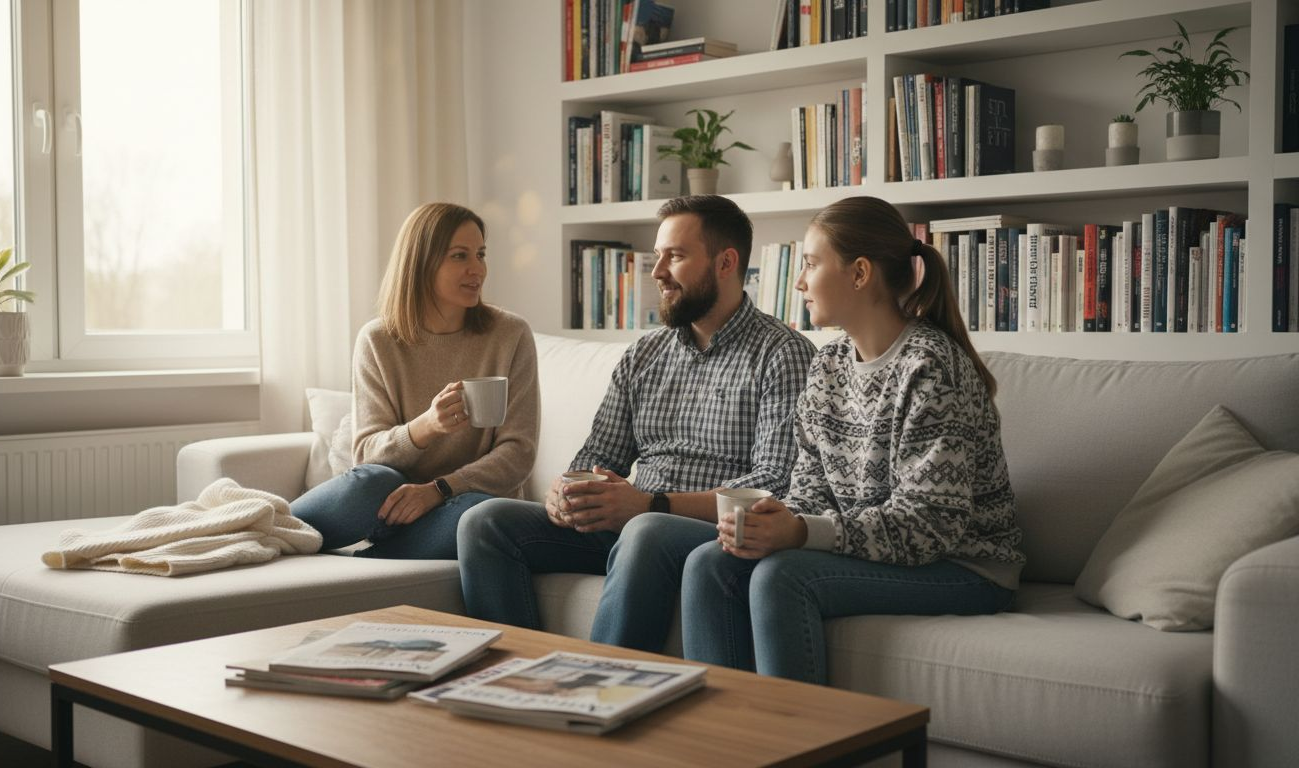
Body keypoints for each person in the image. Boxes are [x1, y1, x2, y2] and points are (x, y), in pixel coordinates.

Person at [681, 196, 1025, 684]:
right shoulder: (828, 364)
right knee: (709, 564)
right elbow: (810, 488)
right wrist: (776, 522)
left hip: (965, 567)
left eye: (811, 264)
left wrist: (801, 533)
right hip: (882, 548)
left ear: (860, 273)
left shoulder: (929, 369)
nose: (799, 282)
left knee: (783, 576)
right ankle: (729, 744)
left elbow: (931, 526)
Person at [457, 195, 816, 652]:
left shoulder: (783, 354)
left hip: (700, 534)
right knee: (484, 521)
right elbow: (596, 456)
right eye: (658, 255)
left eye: (676, 256)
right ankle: (513, 681)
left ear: (726, 263)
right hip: (634, 519)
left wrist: (652, 504)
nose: (657, 271)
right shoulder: (644, 354)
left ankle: (601, 687)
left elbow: (774, 482)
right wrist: (567, 493)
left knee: (648, 530)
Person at [291, 202, 538, 560]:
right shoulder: (378, 340)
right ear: (421, 263)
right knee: (374, 482)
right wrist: (425, 427)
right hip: (390, 507)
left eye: (480, 254)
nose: (477, 269)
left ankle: (373, 557)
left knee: (480, 516)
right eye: (459, 256)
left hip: (461, 504)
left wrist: (440, 489)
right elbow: (366, 454)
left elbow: (518, 454)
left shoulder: (510, 334)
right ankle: (263, 531)